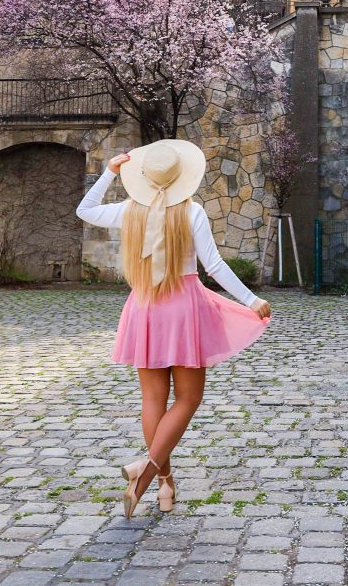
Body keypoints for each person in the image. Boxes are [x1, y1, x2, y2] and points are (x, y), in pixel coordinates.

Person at [76, 139, 272, 518]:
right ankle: (148, 475)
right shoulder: (192, 211)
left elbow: (85, 210)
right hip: (183, 308)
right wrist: (250, 300)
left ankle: (165, 485)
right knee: (187, 399)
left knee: (153, 399)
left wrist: (110, 172)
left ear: (143, 178)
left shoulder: (129, 211)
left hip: (145, 306)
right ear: (182, 177)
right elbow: (213, 265)